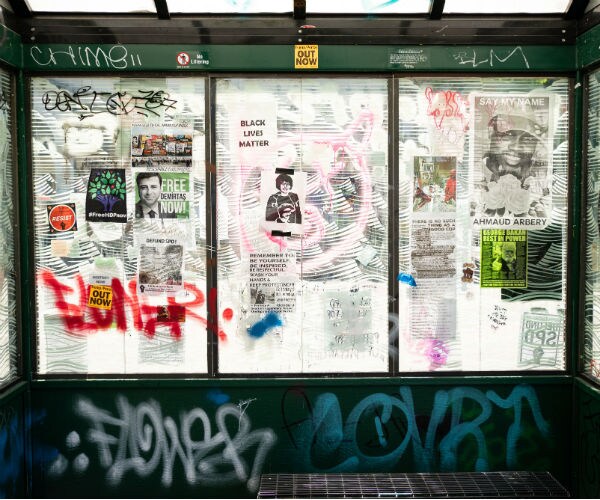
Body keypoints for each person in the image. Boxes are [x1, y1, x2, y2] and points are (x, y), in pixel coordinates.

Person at [483, 113, 545, 187]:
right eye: (508, 135)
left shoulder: (542, 178)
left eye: (528, 139)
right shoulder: (476, 173)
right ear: (491, 137)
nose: (516, 147)